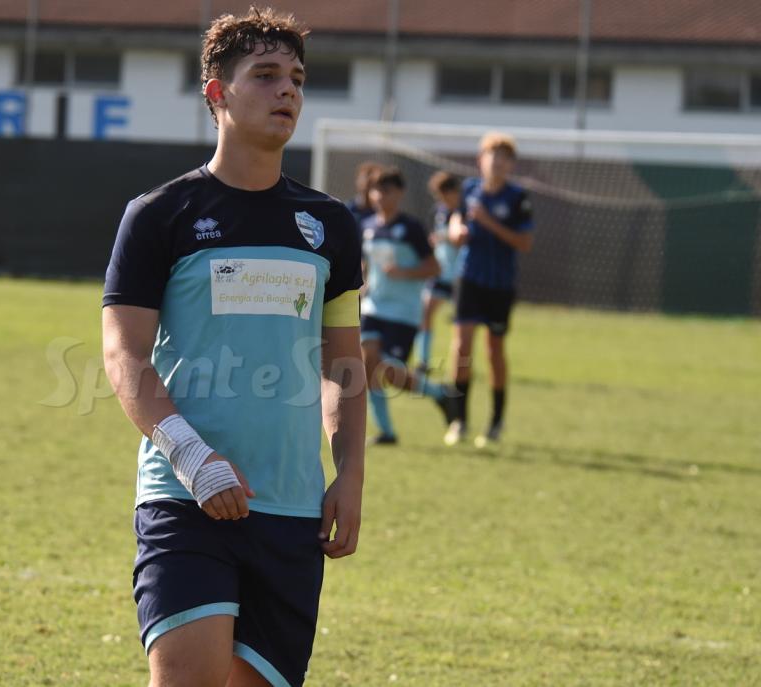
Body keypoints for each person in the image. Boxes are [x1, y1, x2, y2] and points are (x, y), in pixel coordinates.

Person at [101, 8, 365, 687]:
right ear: (218, 93)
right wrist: (193, 457)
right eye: (267, 75)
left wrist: (350, 474)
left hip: (292, 510)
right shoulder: (160, 214)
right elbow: (124, 356)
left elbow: (342, 365)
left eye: (297, 78)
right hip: (185, 501)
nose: (288, 90)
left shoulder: (331, 224)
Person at [445, 132, 534, 447]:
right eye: (491, 155)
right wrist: (456, 230)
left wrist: (488, 222)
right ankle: (458, 420)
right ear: (480, 160)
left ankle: (496, 421)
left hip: (500, 284)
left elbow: (524, 242)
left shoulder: (517, 198)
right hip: (469, 277)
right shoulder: (469, 189)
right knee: (461, 347)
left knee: (494, 351)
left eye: (503, 157)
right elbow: (455, 218)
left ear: (511, 164)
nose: (496, 162)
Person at [359, 166, 454, 445]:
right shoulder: (368, 227)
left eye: (386, 191)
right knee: (367, 367)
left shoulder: (411, 228)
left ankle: (439, 394)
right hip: (373, 308)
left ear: (399, 193)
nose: (379, 196)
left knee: (389, 373)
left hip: (403, 312)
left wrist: (404, 272)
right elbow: (367, 265)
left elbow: (434, 267)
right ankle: (386, 432)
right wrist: (361, 285)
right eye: (375, 191)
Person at [414, 171, 463, 374]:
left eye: (443, 195)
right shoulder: (437, 212)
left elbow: (462, 240)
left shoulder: (465, 211)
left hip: (461, 276)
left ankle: (461, 366)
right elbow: (433, 239)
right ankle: (423, 361)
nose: (441, 200)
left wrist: (447, 238)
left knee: (462, 326)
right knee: (425, 313)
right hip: (441, 273)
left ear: (453, 192)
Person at [344, 161, 380, 226]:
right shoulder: (348, 209)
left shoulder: (381, 212)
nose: (367, 186)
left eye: (372, 183)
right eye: (365, 181)